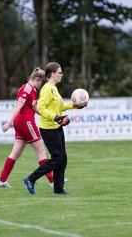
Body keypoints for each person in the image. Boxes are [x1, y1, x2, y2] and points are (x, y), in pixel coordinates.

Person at [23, 62, 86, 195]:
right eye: (59, 72)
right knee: (57, 158)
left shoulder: (54, 88)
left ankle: (58, 189)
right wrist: (56, 117)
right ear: (52, 74)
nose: (62, 75)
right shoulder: (47, 89)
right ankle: (30, 178)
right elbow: (41, 108)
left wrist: (73, 106)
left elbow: (59, 107)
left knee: (63, 158)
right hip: (48, 128)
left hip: (57, 127)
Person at [0, 67, 54, 187]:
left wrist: (49, 116)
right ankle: (53, 181)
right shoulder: (27, 89)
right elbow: (18, 106)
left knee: (15, 153)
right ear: (37, 80)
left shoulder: (32, 90)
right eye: (42, 83)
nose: (42, 86)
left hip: (21, 123)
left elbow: (34, 107)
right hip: (26, 123)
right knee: (41, 151)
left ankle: (1, 181)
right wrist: (8, 123)